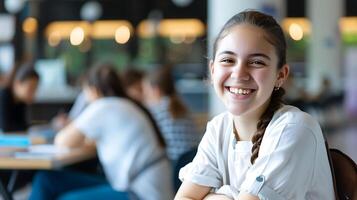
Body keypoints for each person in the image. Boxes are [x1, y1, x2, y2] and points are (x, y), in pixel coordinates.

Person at [175, 10, 334, 200]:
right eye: (228, 60)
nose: (239, 74)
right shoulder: (219, 128)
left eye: (256, 62)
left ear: (280, 75)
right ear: (212, 70)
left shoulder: (294, 128)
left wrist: (218, 194)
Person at [29, 63, 174, 200]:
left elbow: (63, 141)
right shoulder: (126, 104)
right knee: (47, 179)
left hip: (139, 192)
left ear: (93, 90)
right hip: (141, 185)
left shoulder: (103, 106)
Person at [142, 67, 201, 164]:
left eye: (146, 92)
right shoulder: (184, 108)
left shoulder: (155, 111)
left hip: (171, 166)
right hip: (191, 164)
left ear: (155, 90)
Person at [0, 63, 39, 132]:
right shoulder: (4, 96)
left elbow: (23, 125)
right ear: (17, 83)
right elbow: (6, 127)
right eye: (30, 88)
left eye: (35, 89)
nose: (33, 93)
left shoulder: (21, 101)